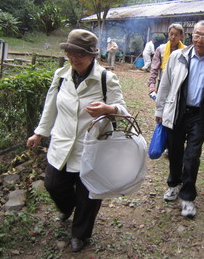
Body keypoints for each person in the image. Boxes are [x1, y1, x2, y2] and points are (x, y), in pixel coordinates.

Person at [26, 29, 128, 253]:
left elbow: (123, 111)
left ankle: (80, 234)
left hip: (93, 145)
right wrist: (39, 133)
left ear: (92, 55)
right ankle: (67, 206)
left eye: (80, 53)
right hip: (62, 142)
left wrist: (108, 109)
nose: (74, 57)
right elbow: (50, 107)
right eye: (70, 52)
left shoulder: (105, 79)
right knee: (53, 184)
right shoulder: (60, 75)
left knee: (89, 194)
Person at [155, 20, 204, 218]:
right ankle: (173, 184)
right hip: (177, 111)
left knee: (192, 156)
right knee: (175, 153)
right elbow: (165, 84)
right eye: (196, 35)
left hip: (200, 114)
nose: (199, 39)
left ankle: (187, 197)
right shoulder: (177, 57)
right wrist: (160, 110)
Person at [147, 23, 185, 94]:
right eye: (171, 34)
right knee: (161, 104)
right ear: (168, 34)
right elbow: (154, 69)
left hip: (179, 84)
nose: (173, 37)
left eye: (176, 35)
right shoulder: (161, 49)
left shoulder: (185, 51)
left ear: (181, 36)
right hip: (163, 83)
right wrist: (152, 85)